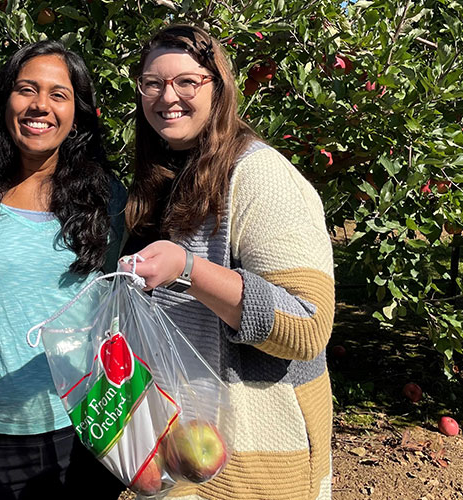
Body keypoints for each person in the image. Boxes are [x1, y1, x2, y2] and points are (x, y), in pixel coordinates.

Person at [121, 25, 335, 500]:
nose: (167, 96)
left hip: (253, 458)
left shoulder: (259, 174)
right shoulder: (163, 175)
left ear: (217, 88)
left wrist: (190, 269)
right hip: (185, 444)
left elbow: (307, 325)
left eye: (186, 82)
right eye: (152, 83)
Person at [0, 40, 126, 499]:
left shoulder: (108, 198)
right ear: (5, 102)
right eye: (26, 90)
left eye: (58, 94)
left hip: (90, 425)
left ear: (78, 113)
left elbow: (117, 300)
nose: (40, 105)